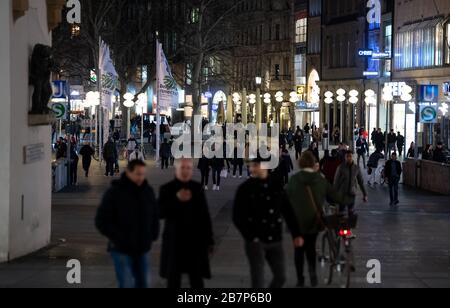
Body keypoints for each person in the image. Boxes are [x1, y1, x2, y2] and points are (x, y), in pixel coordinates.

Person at [95, 160, 159, 288]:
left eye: (143, 174)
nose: (141, 177)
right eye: (138, 174)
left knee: (144, 283)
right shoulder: (114, 192)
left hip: (142, 247)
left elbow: (154, 215)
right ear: (128, 172)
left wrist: (152, 234)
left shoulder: (147, 191)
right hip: (121, 249)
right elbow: (101, 220)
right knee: (126, 284)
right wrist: (117, 237)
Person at [285, 151, 343, 288]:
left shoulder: (294, 179)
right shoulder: (320, 179)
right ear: (313, 164)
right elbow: (333, 196)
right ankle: (313, 276)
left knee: (298, 251)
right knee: (310, 249)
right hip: (313, 221)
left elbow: (286, 200)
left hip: (297, 223)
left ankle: (300, 280)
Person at [233, 158, 293, 288]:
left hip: (275, 239)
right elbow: (237, 216)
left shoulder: (276, 186)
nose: (251, 169)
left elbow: (287, 210)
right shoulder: (245, 188)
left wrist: (297, 233)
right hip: (256, 242)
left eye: (255, 166)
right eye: (250, 166)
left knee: (281, 277)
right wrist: (250, 236)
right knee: (258, 280)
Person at [159, 159, 215, 289]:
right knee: (173, 279)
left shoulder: (197, 189)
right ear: (176, 169)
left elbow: (204, 217)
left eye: (188, 168)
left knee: (196, 279)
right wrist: (176, 199)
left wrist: (209, 239)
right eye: (183, 168)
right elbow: (159, 212)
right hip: (174, 243)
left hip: (195, 243)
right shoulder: (167, 189)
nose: (185, 171)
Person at [333, 151, 368, 216]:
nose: (349, 158)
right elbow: (336, 182)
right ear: (345, 158)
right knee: (341, 213)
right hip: (342, 194)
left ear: (353, 157)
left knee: (351, 213)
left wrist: (365, 194)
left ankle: (349, 225)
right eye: (347, 156)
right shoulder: (341, 167)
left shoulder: (356, 168)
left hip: (352, 194)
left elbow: (361, 182)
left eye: (350, 156)